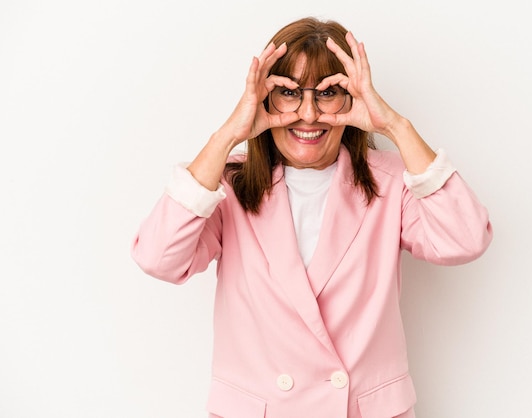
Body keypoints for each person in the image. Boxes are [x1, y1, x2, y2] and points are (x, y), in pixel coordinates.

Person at [131, 17, 492, 418]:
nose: (308, 113)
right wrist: (227, 136)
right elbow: (158, 258)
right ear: (263, 97)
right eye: (287, 92)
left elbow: (466, 239)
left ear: (354, 98)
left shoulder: (391, 182)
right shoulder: (227, 185)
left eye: (329, 92)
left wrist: (396, 125)